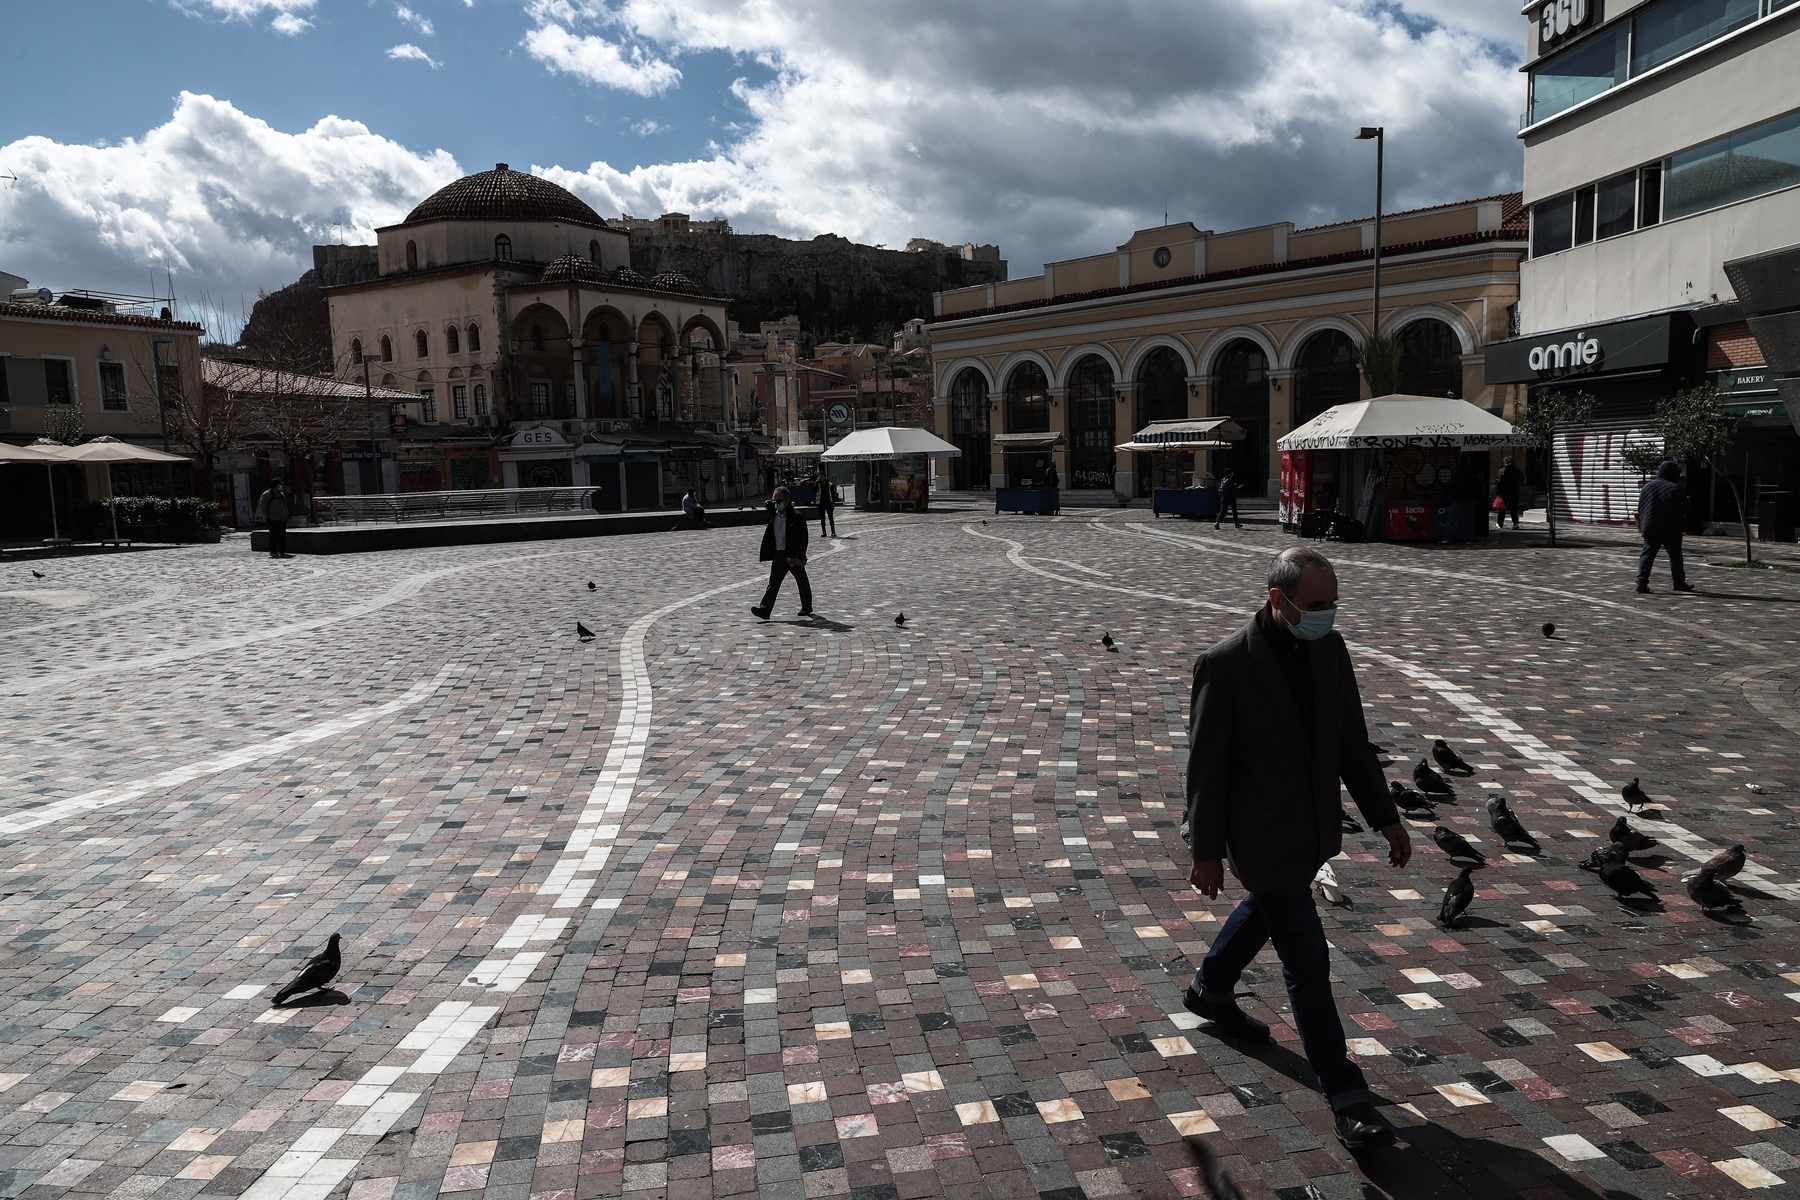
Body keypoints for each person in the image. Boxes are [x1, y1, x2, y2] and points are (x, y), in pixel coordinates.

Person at [1183, 546, 1410, 1152]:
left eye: (1333, 604)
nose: (1327, 615)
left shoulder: (1329, 649)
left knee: (1268, 908)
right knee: (1308, 962)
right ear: (1277, 598)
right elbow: (1206, 767)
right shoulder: (1226, 664)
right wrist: (1205, 848)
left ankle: (1209, 988)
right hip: (1259, 833)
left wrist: (1385, 816)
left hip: (1311, 829)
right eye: (1316, 605)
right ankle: (1346, 1096)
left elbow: (1351, 743)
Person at [752, 486, 812, 620]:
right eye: (775, 501)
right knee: (773, 583)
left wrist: (800, 557)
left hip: (792, 555)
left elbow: (803, 538)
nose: (777, 503)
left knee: (802, 581)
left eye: (779, 500)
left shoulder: (797, 517)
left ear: (787, 500)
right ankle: (764, 609)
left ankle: (806, 607)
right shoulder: (775, 516)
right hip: (778, 554)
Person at [1636, 459, 1693, 594]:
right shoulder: (1675, 488)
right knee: (1675, 556)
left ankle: (1642, 581)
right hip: (1671, 528)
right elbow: (1685, 508)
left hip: (1650, 526)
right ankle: (1678, 583)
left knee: (1647, 554)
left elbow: (1640, 508)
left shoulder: (1647, 487)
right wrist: (1689, 500)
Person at [259, 478, 292, 559]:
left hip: (282, 518)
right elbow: (263, 506)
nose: (280, 487)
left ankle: (282, 550)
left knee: (282, 535)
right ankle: (273, 551)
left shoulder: (281, 495)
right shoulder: (267, 495)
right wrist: (266, 515)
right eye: (279, 485)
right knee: (273, 535)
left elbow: (285, 505)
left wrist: (286, 514)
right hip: (272, 518)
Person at [1493, 456, 1523, 530]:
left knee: (1501, 508)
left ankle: (1500, 523)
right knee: (1514, 509)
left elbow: (1498, 482)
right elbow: (1522, 479)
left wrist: (1498, 492)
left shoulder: (1502, 470)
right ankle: (1515, 523)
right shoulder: (1517, 470)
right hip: (1514, 492)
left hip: (1504, 493)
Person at [815, 471, 837, 537]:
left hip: (828, 503)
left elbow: (833, 494)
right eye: (820, 477)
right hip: (820, 503)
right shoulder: (818, 484)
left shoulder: (829, 484)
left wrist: (833, 503)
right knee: (822, 519)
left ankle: (833, 532)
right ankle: (824, 532)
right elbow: (814, 490)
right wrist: (816, 483)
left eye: (822, 477)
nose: (821, 478)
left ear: (825, 477)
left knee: (831, 518)